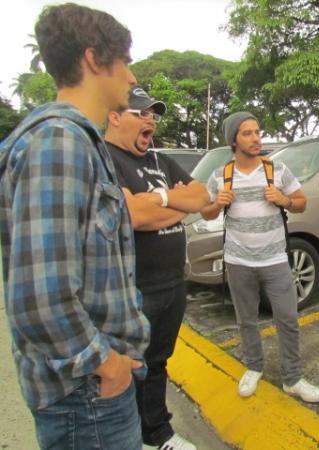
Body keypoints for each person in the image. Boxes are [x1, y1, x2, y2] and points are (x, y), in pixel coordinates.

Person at [0, 4, 150, 449]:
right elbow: (39, 299)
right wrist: (107, 365)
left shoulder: (78, 140)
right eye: (124, 61)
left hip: (89, 390)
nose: (131, 77)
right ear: (93, 59)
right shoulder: (60, 141)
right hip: (85, 394)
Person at [105, 86, 209, 450]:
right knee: (130, 368)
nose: (150, 119)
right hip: (134, 289)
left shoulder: (161, 160)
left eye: (153, 113)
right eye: (140, 112)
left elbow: (201, 196)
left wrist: (162, 199)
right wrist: (178, 205)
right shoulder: (106, 159)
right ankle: (127, 437)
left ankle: (157, 433)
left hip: (172, 283)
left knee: (159, 362)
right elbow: (133, 216)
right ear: (115, 117)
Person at [200, 111, 319, 403]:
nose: (256, 138)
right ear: (234, 139)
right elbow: (205, 212)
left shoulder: (276, 170)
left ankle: (292, 378)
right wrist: (216, 204)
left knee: (288, 318)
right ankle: (253, 367)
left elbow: (301, 203)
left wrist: (284, 200)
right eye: (247, 133)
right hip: (238, 261)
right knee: (246, 320)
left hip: (276, 261)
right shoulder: (222, 175)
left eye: (257, 132)